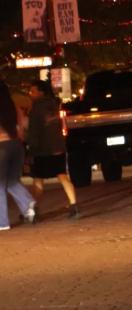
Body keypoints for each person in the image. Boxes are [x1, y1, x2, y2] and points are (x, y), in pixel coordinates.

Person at [27, 80, 80, 220]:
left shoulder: (36, 109)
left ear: (41, 92)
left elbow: (34, 132)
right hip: (58, 147)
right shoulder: (54, 106)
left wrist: (31, 150)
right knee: (62, 175)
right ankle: (74, 205)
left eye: (33, 91)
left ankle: (33, 210)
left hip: (42, 149)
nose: (30, 94)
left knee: (38, 180)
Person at [0, 80, 36, 230]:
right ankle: (28, 203)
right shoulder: (12, 106)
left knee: (0, 185)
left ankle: (2, 222)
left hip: (1, 147)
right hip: (17, 145)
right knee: (11, 180)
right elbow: (21, 122)